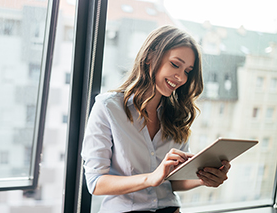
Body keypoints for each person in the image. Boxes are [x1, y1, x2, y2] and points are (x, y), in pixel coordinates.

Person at [81, 25, 231, 213]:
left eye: (187, 71)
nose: (181, 77)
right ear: (150, 57)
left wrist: (203, 179)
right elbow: (96, 182)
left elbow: (173, 181)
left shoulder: (177, 115)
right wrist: (151, 177)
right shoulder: (108, 108)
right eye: (176, 64)